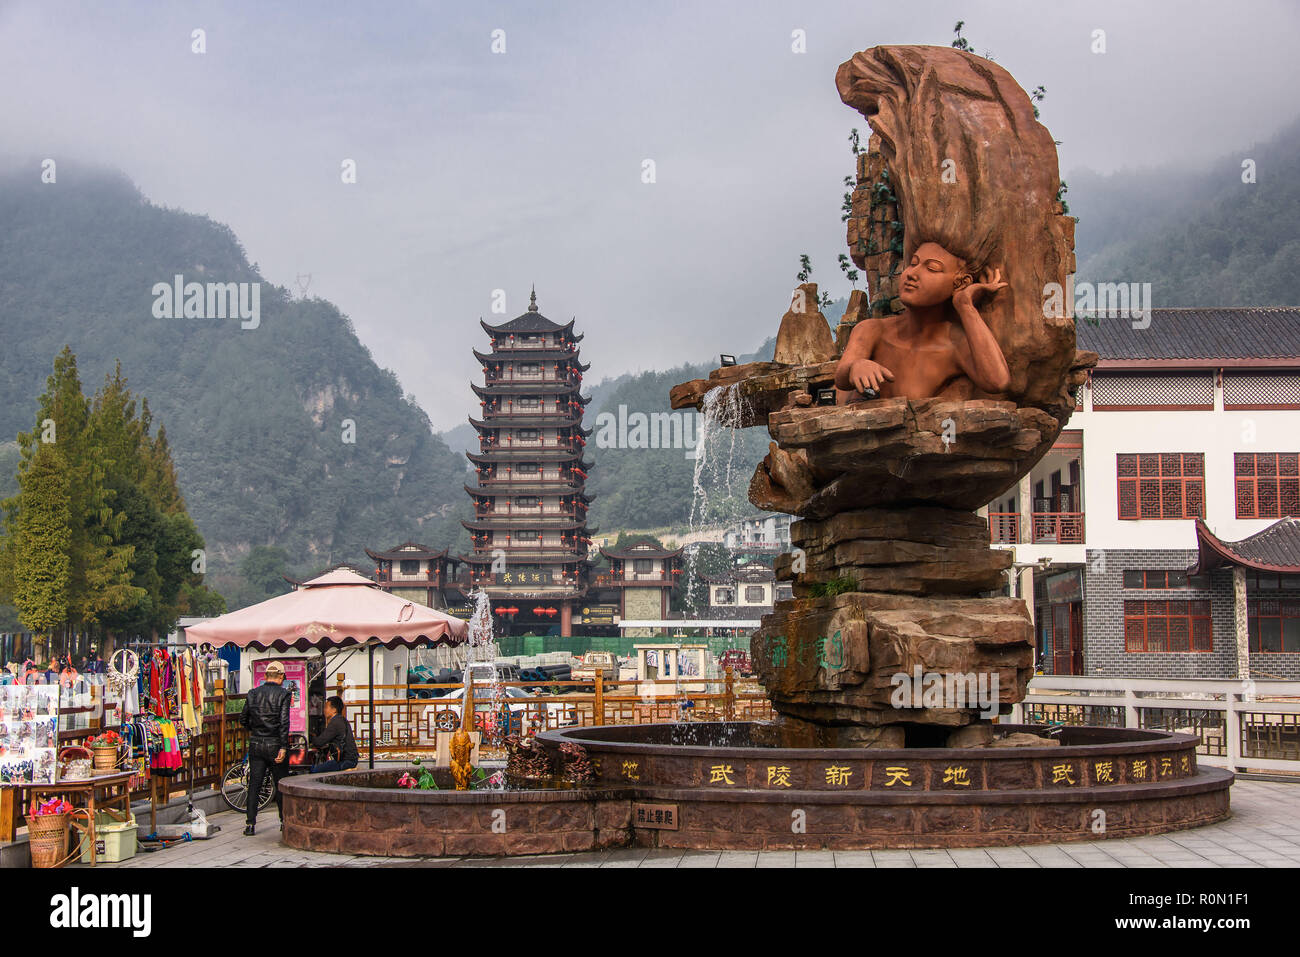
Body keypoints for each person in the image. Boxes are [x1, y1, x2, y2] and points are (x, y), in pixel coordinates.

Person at [835, 241, 1012, 402]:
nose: (912, 273)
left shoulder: (956, 344)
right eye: (913, 263)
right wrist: (856, 367)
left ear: (959, 284)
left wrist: (965, 306)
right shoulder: (871, 329)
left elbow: (998, 381)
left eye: (932, 268)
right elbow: (841, 378)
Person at [240, 660, 291, 835]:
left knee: (255, 784)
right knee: (281, 784)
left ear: (265, 676)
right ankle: (284, 821)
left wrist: (254, 731)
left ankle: (250, 824)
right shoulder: (283, 694)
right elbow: (284, 722)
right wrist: (283, 747)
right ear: (282, 677)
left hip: (256, 744)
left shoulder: (253, 693)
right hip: (275, 744)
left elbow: (243, 719)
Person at [309, 696, 359, 773]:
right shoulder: (342, 719)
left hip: (345, 762)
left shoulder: (335, 722)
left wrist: (311, 737)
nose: (324, 710)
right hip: (350, 760)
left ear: (334, 710)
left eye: (326, 707)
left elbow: (319, 742)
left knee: (314, 770)